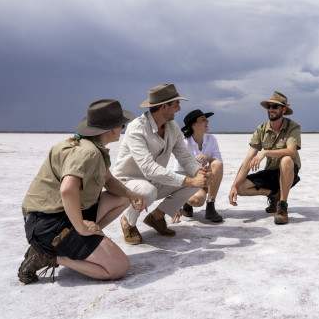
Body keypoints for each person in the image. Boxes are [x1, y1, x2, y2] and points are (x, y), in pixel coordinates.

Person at [18, 99, 146, 284]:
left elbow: (108, 180)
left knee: (120, 198)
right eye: (122, 125)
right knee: (118, 267)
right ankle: (49, 255)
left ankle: (82, 244)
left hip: (54, 216)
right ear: (110, 129)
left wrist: (130, 194)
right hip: (49, 225)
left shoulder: (89, 147)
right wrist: (81, 227)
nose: (122, 130)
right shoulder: (88, 153)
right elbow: (68, 190)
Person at [113, 83, 212, 244]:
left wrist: (199, 173)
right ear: (164, 106)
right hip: (128, 184)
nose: (179, 108)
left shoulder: (172, 128)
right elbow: (148, 168)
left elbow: (185, 158)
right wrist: (189, 180)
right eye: (177, 104)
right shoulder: (137, 128)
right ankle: (128, 222)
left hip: (154, 180)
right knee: (148, 191)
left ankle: (157, 217)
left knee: (193, 180)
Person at [229, 91, 301, 225]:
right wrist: (234, 185)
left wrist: (265, 152)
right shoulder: (261, 129)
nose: (271, 109)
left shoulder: (293, 126)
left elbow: (291, 152)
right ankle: (274, 194)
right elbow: (248, 159)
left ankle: (282, 206)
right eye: (269, 106)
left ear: (283, 109)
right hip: (271, 172)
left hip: (289, 171)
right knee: (240, 187)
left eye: (275, 106)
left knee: (286, 159)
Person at [175, 109, 224, 222]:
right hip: (189, 182)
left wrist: (206, 157)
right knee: (198, 200)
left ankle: (211, 206)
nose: (207, 121)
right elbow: (178, 173)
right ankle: (186, 203)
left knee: (217, 163)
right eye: (203, 119)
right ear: (194, 125)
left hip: (205, 179)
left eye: (206, 119)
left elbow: (218, 162)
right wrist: (176, 203)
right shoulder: (184, 143)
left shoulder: (211, 139)